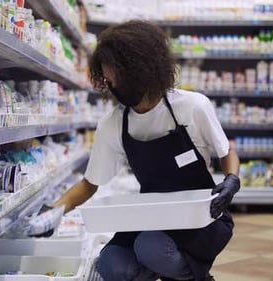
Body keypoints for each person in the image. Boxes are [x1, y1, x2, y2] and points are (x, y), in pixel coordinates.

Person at [48, 20, 240, 281]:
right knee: (112, 265)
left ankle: (192, 277)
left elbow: (226, 151)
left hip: (197, 218)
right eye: (109, 80)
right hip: (151, 214)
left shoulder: (192, 107)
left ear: (144, 70)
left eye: (117, 77)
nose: (113, 86)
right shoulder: (113, 123)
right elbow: (89, 184)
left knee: (150, 248)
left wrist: (232, 181)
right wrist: (53, 212)